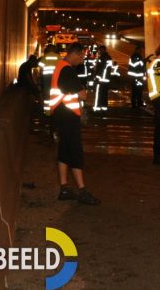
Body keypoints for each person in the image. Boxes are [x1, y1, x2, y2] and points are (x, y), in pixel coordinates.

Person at [51, 42, 100, 205]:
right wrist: (83, 91)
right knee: (75, 152)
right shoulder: (68, 70)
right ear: (75, 54)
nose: (81, 61)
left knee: (64, 151)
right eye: (81, 57)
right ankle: (82, 190)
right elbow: (83, 95)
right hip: (69, 116)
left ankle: (64, 188)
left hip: (59, 114)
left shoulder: (59, 66)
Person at [38, 44, 60, 116]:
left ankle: (47, 113)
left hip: (46, 78)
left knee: (47, 94)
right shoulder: (58, 57)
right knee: (55, 94)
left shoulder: (45, 57)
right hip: (56, 78)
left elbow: (40, 67)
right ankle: (55, 111)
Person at [92, 45, 115, 114]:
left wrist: (98, 77)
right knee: (104, 94)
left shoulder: (103, 58)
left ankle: (97, 108)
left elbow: (102, 69)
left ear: (103, 50)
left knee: (99, 94)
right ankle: (104, 108)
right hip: (106, 79)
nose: (99, 51)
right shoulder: (108, 57)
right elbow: (108, 69)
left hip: (101, 79)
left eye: (100, 50)